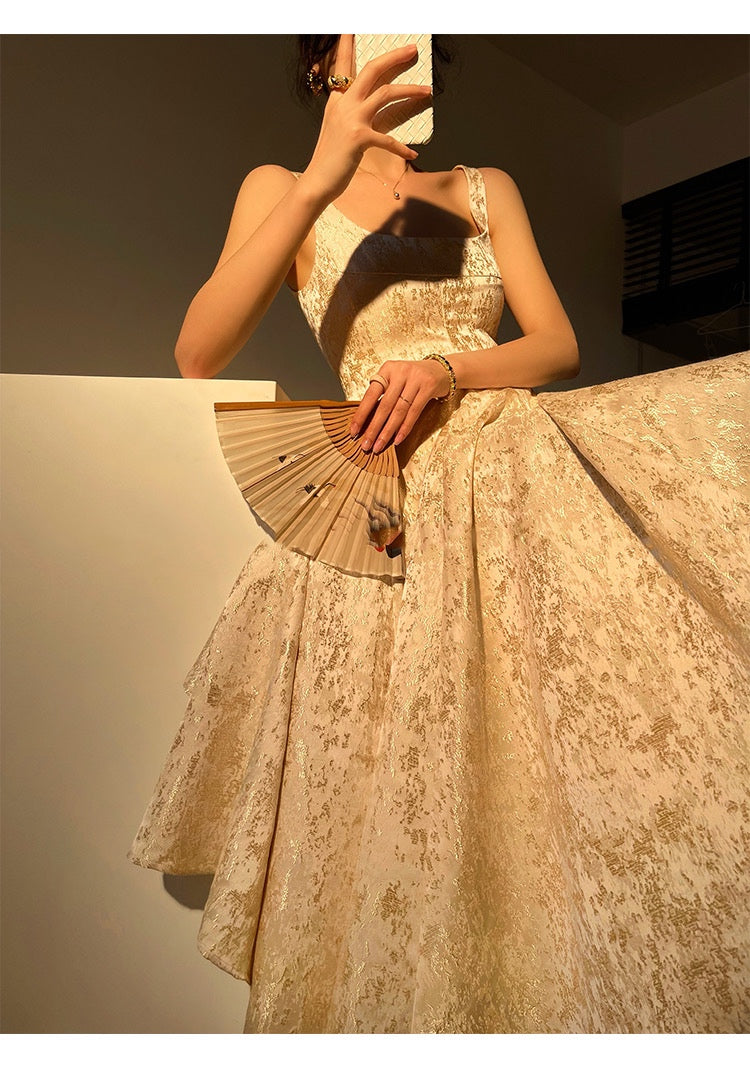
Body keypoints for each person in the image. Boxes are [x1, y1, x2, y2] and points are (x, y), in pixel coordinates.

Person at [128, 35, 750, 1033]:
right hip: (389, 496)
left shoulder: (484, 186)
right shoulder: (279, 187)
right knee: (402, 777)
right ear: (324, 65)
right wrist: (322, 174)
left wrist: (449, 371)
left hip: (515, 471)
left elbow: (557, 344)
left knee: (599, 740)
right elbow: (198, 352)